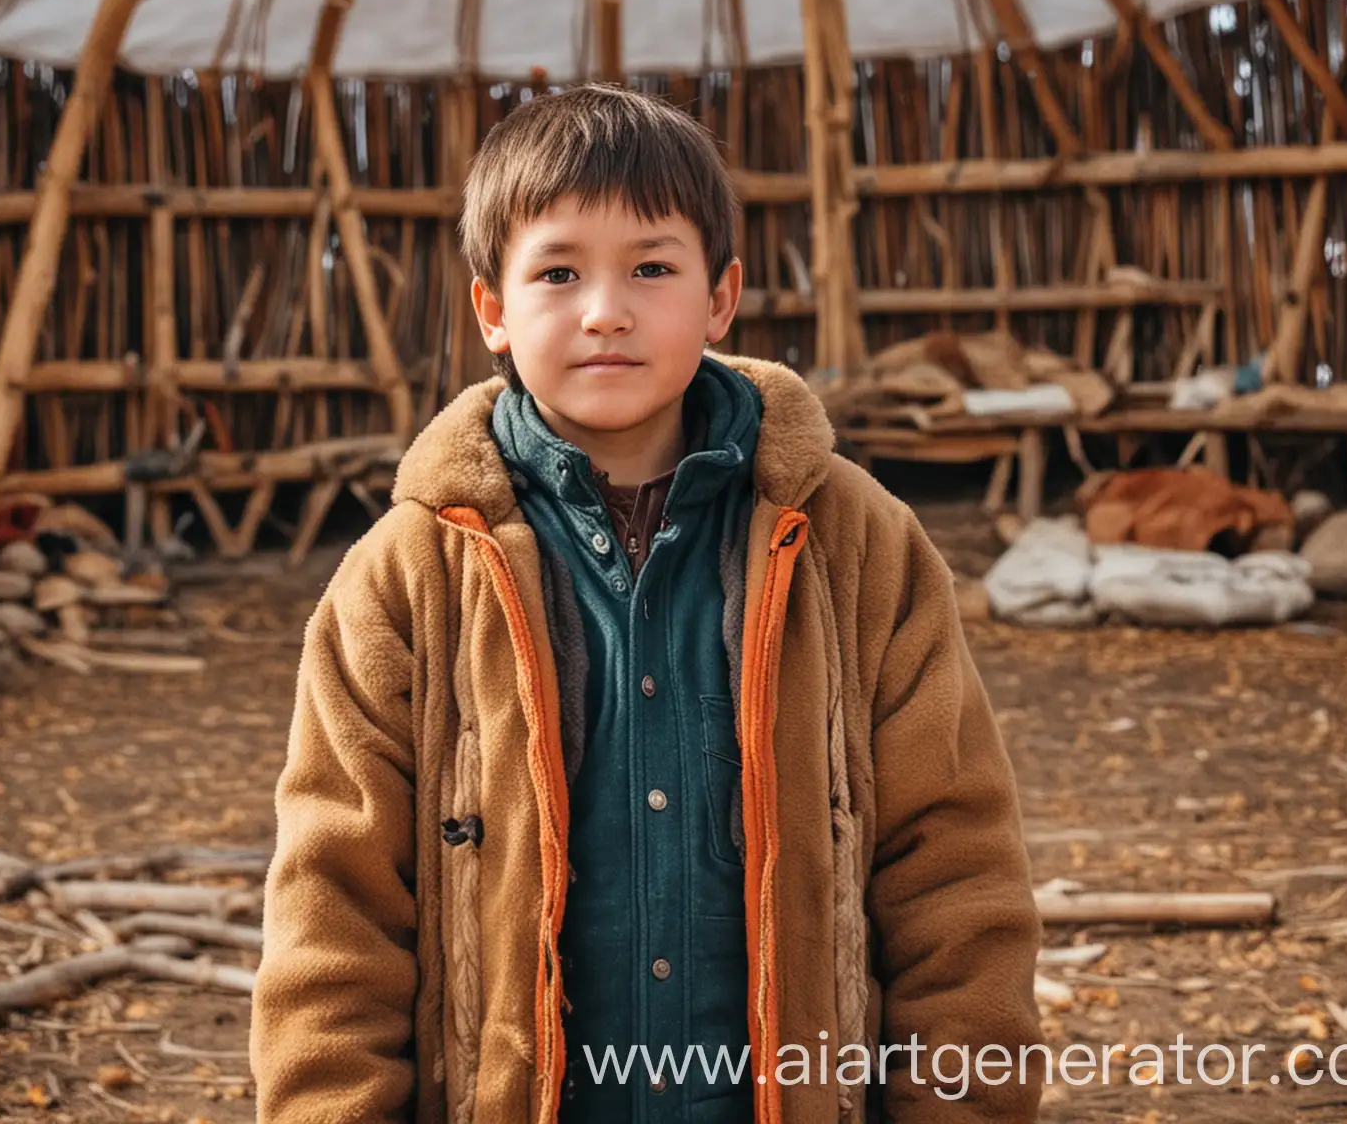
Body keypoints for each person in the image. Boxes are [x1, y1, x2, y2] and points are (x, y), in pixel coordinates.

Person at [250, 85, 1043, 1122]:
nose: (606, 310)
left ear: (721, 299)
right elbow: (334, 914)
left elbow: (955, 871)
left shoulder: (854, 545)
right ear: (492, 309)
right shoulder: (410, 576)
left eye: (652, 268)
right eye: (559, 271)